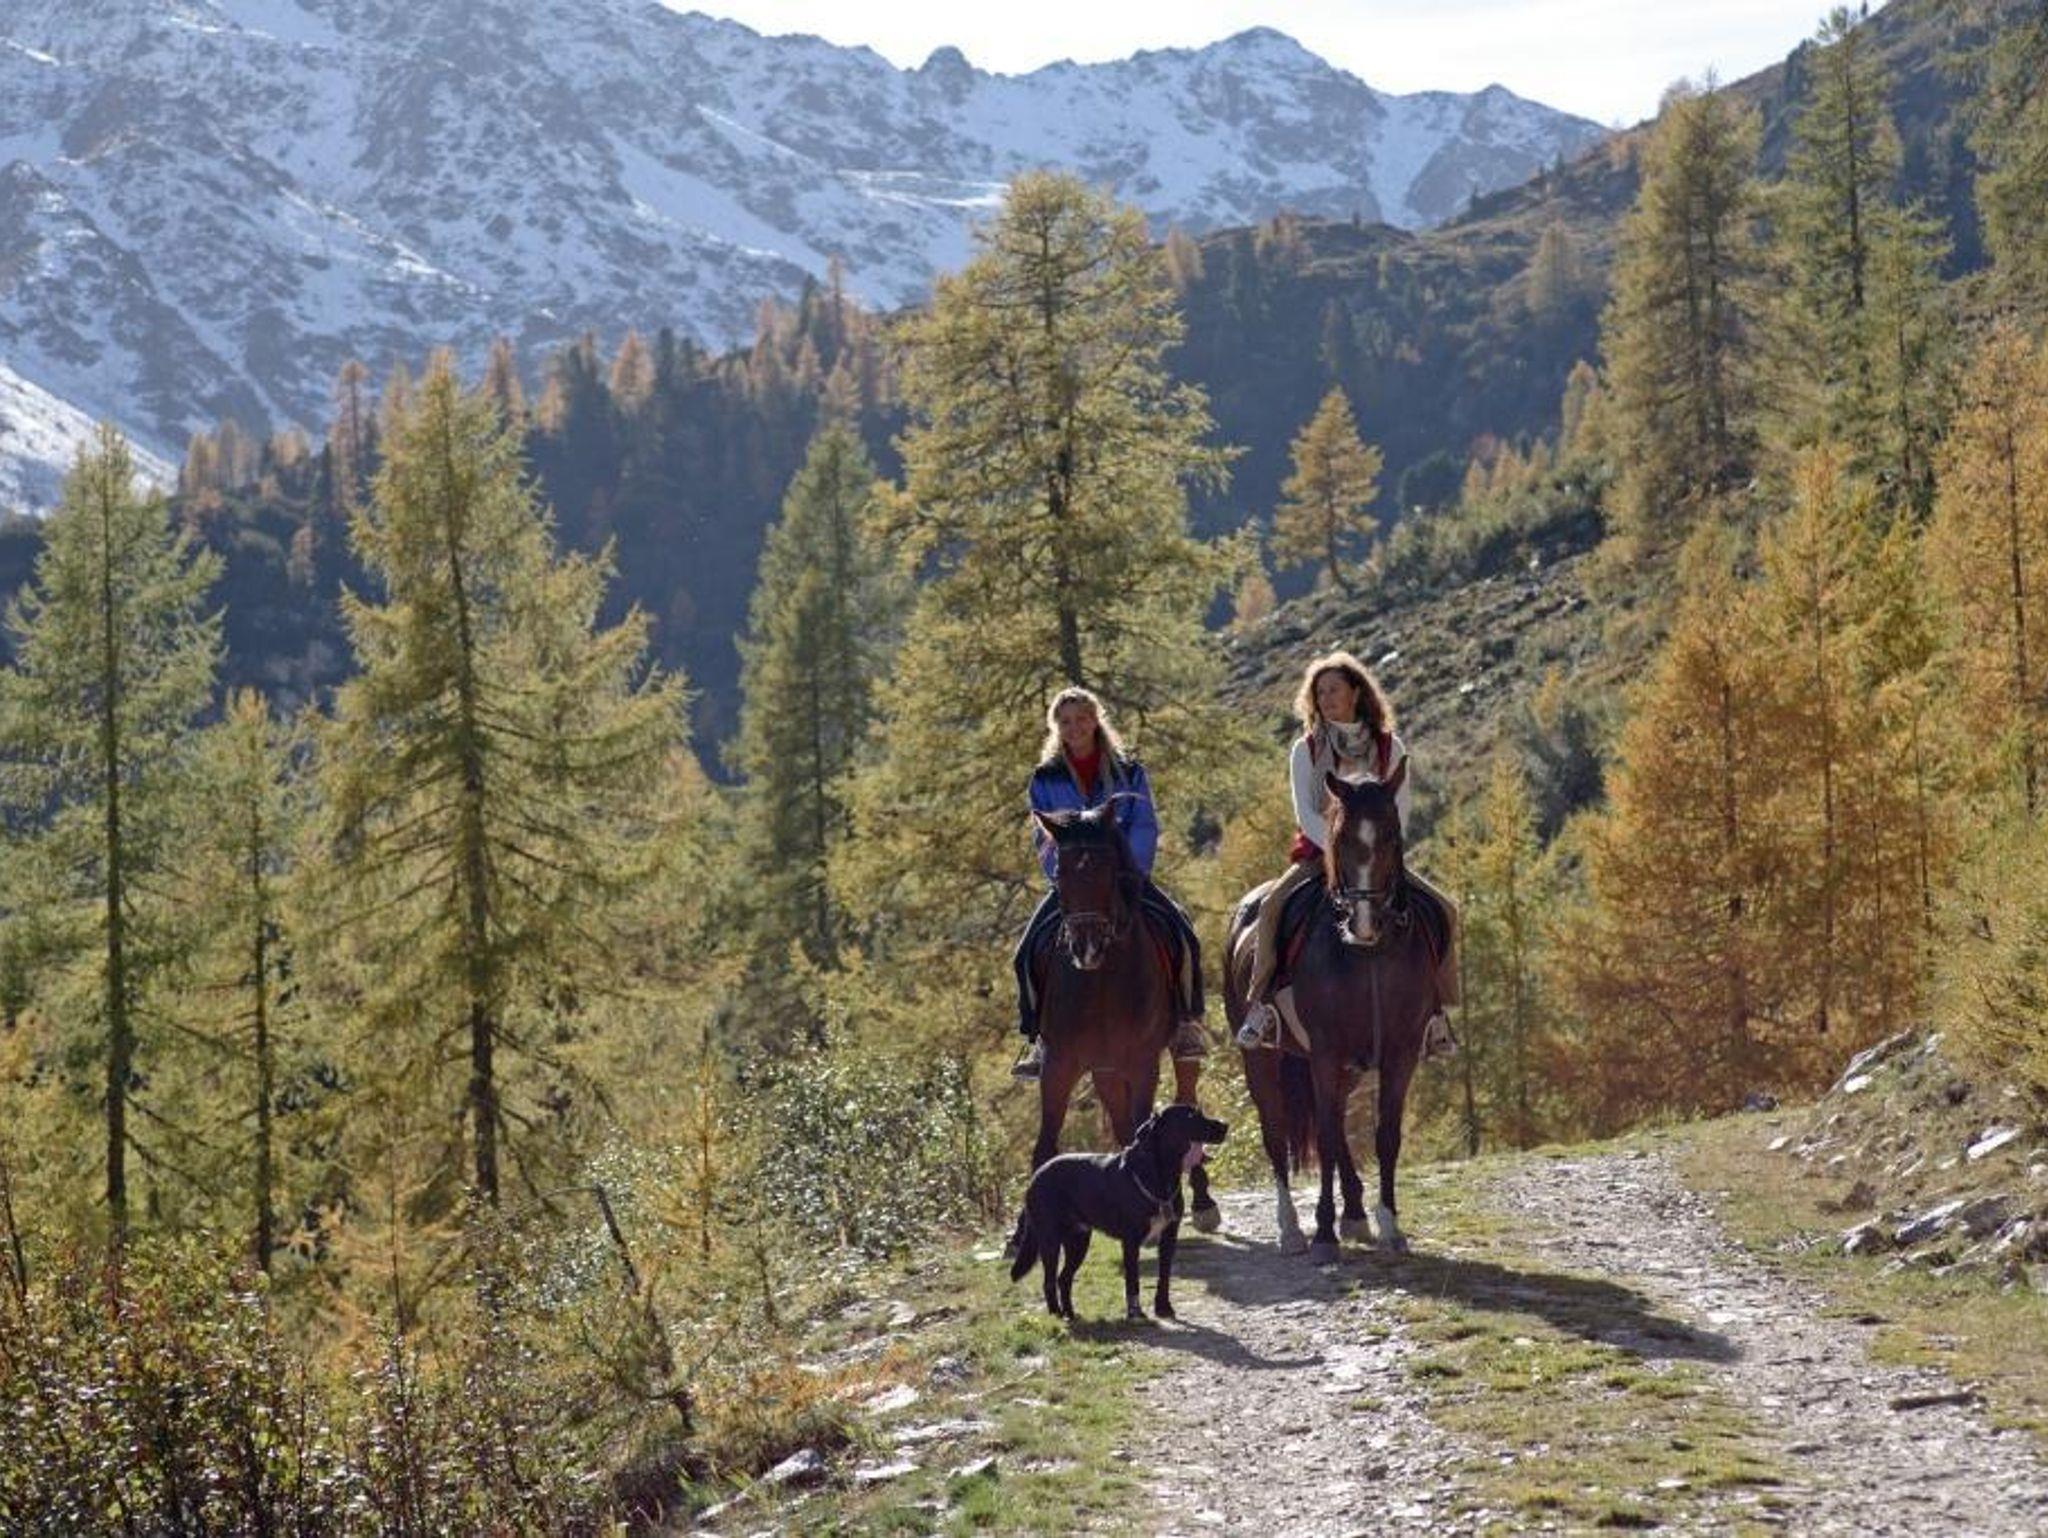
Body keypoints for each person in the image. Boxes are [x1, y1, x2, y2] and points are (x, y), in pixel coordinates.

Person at [1234, 651, 1459, 1057]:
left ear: (1356, 693)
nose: (1326, 699)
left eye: (1334, 689)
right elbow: (1305, 812)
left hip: (1379, 860)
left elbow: (1400, 811)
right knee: (1270, 909)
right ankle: (1261, 1006)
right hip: (1320, 856)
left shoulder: (1391, 747)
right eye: (1319, 693)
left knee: (1445, 909)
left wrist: (1373, 854)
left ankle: (1437, 1014)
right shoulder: (1305, 750)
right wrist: (1340, 855)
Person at [1013, 687, 1209, 1080]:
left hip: (1126, 878)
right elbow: (1044, 838)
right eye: (1065, 721)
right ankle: (1038, 1039)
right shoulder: (1044, 778)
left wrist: (1131, 874)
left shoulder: (1129, 770)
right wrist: (1064, 880)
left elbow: (1144, 824)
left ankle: (1187, 1024)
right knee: (1025, 953)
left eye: (1082, 718)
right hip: (1074, 887)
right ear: (1056, 727)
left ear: (1096, 719)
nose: (1075, 727)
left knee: (1184, 936)